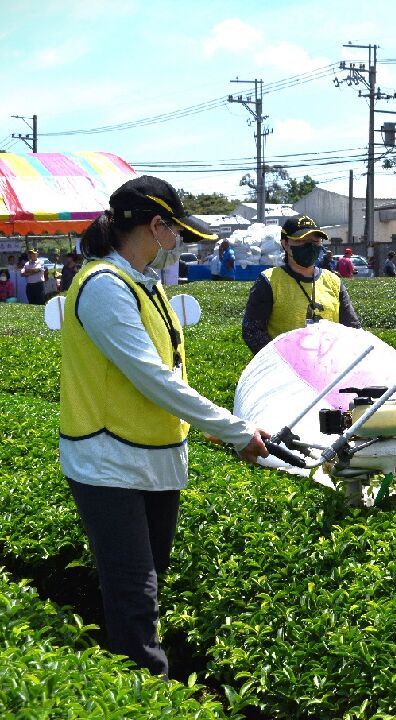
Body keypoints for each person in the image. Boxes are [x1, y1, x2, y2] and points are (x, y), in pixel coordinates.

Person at [59, 175, 270, 677]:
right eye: (176, 231)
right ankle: (147, 696)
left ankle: (130, 679)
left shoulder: (145, 285)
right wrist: (236, 429)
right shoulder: (103, 287)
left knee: (145, 585)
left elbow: (169, 375)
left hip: (156, 460)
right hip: (108, 463)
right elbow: (152, 378)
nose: (179, 243)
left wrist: (214, 425)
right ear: (156, 227)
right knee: (136, 599)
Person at [241, 215, 363, 355]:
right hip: (286, 370)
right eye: (302, 241)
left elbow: (353, 329)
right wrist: (279, 360)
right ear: (285, 243)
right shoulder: (269, 280)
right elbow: (252, 330)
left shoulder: (333, 281)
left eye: (315, 241)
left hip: (327, 368)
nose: (310, 245)